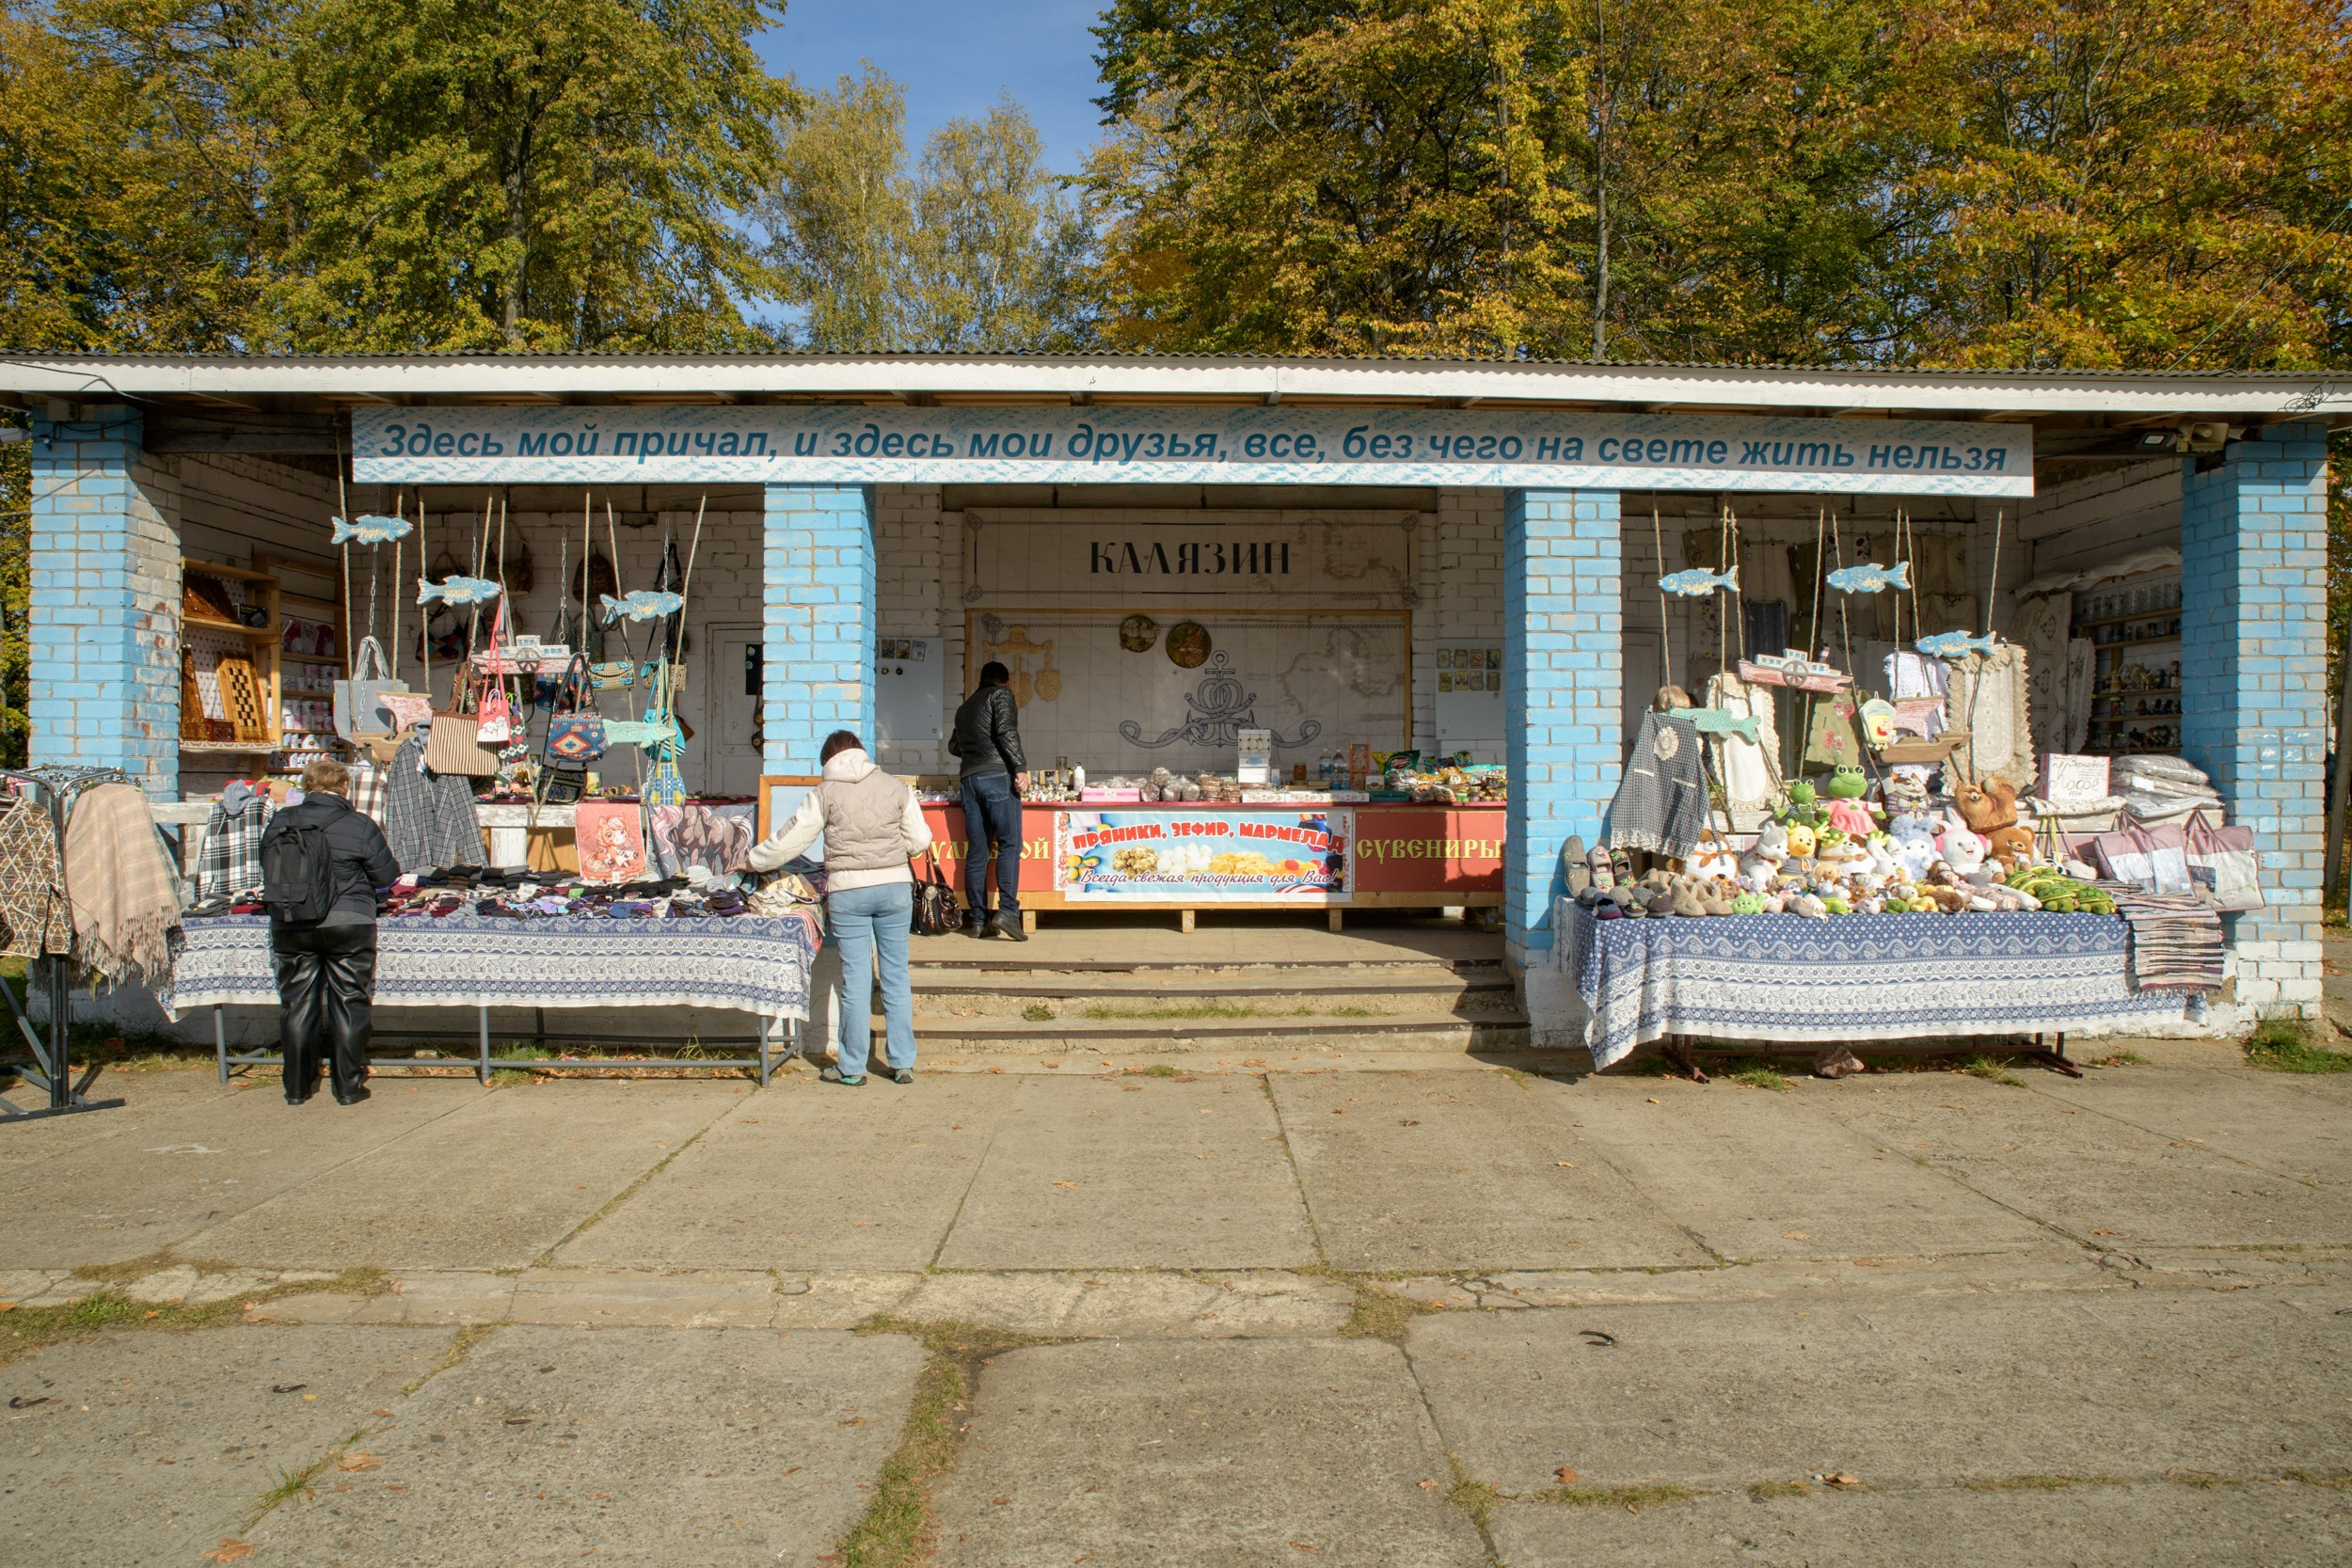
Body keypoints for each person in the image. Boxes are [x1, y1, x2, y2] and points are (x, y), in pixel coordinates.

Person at [746, 730, 933, 1085]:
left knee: (856, 980)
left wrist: (752, 860)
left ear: (828, 760)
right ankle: (902, 1063)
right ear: (861, 754)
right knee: (896, 975)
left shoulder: (824, 792)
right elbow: (920, 840)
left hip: (849, 892)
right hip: (894, 887)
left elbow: (791, 840)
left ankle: (851, 1068)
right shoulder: (895, 787)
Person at [262, 758, 399, 1106]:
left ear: (307, 786)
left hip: (292, 920)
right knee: (349, 1001)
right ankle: (348, 1087)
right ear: (344, 787)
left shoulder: (280, 821)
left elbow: (267, 865)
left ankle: (295, 1088)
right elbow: (387, 877)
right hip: (348, 921)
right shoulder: (358, 824)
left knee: (296, 1004)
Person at [948, 660, 1028, 940]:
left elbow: (954, 746)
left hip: (969, 781)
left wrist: (977, 753)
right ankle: (1007, 912)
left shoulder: (964, 708)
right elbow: (1007, 731)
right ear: (1004, 681)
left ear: (981, 680)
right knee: (1010, 845)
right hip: (997, 776)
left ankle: (979, 921)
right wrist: (1019, 767)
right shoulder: (1001, 695)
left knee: (978, 853)